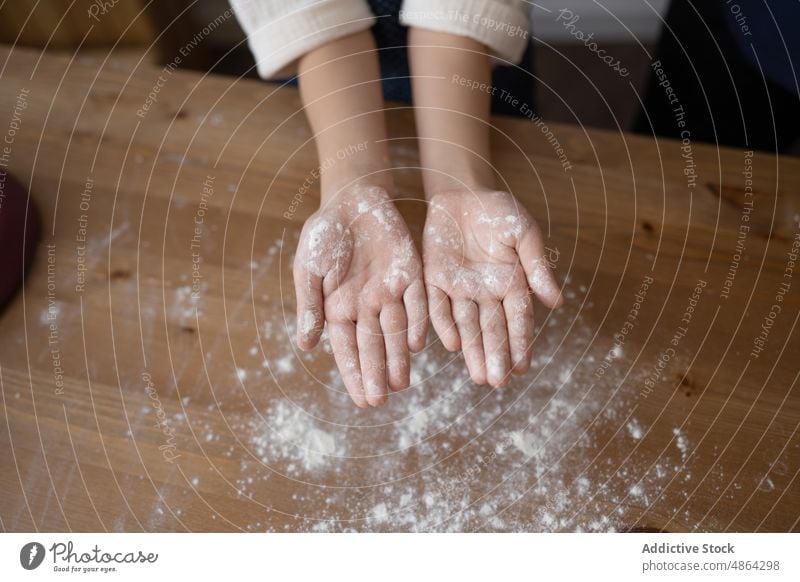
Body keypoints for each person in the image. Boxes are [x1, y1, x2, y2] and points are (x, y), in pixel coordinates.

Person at [230, 0, 563, 408]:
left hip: (470, 66)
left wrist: (460, 180)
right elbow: (312, 20)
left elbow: (461, 11)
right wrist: (352, 185)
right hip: (328, 82)